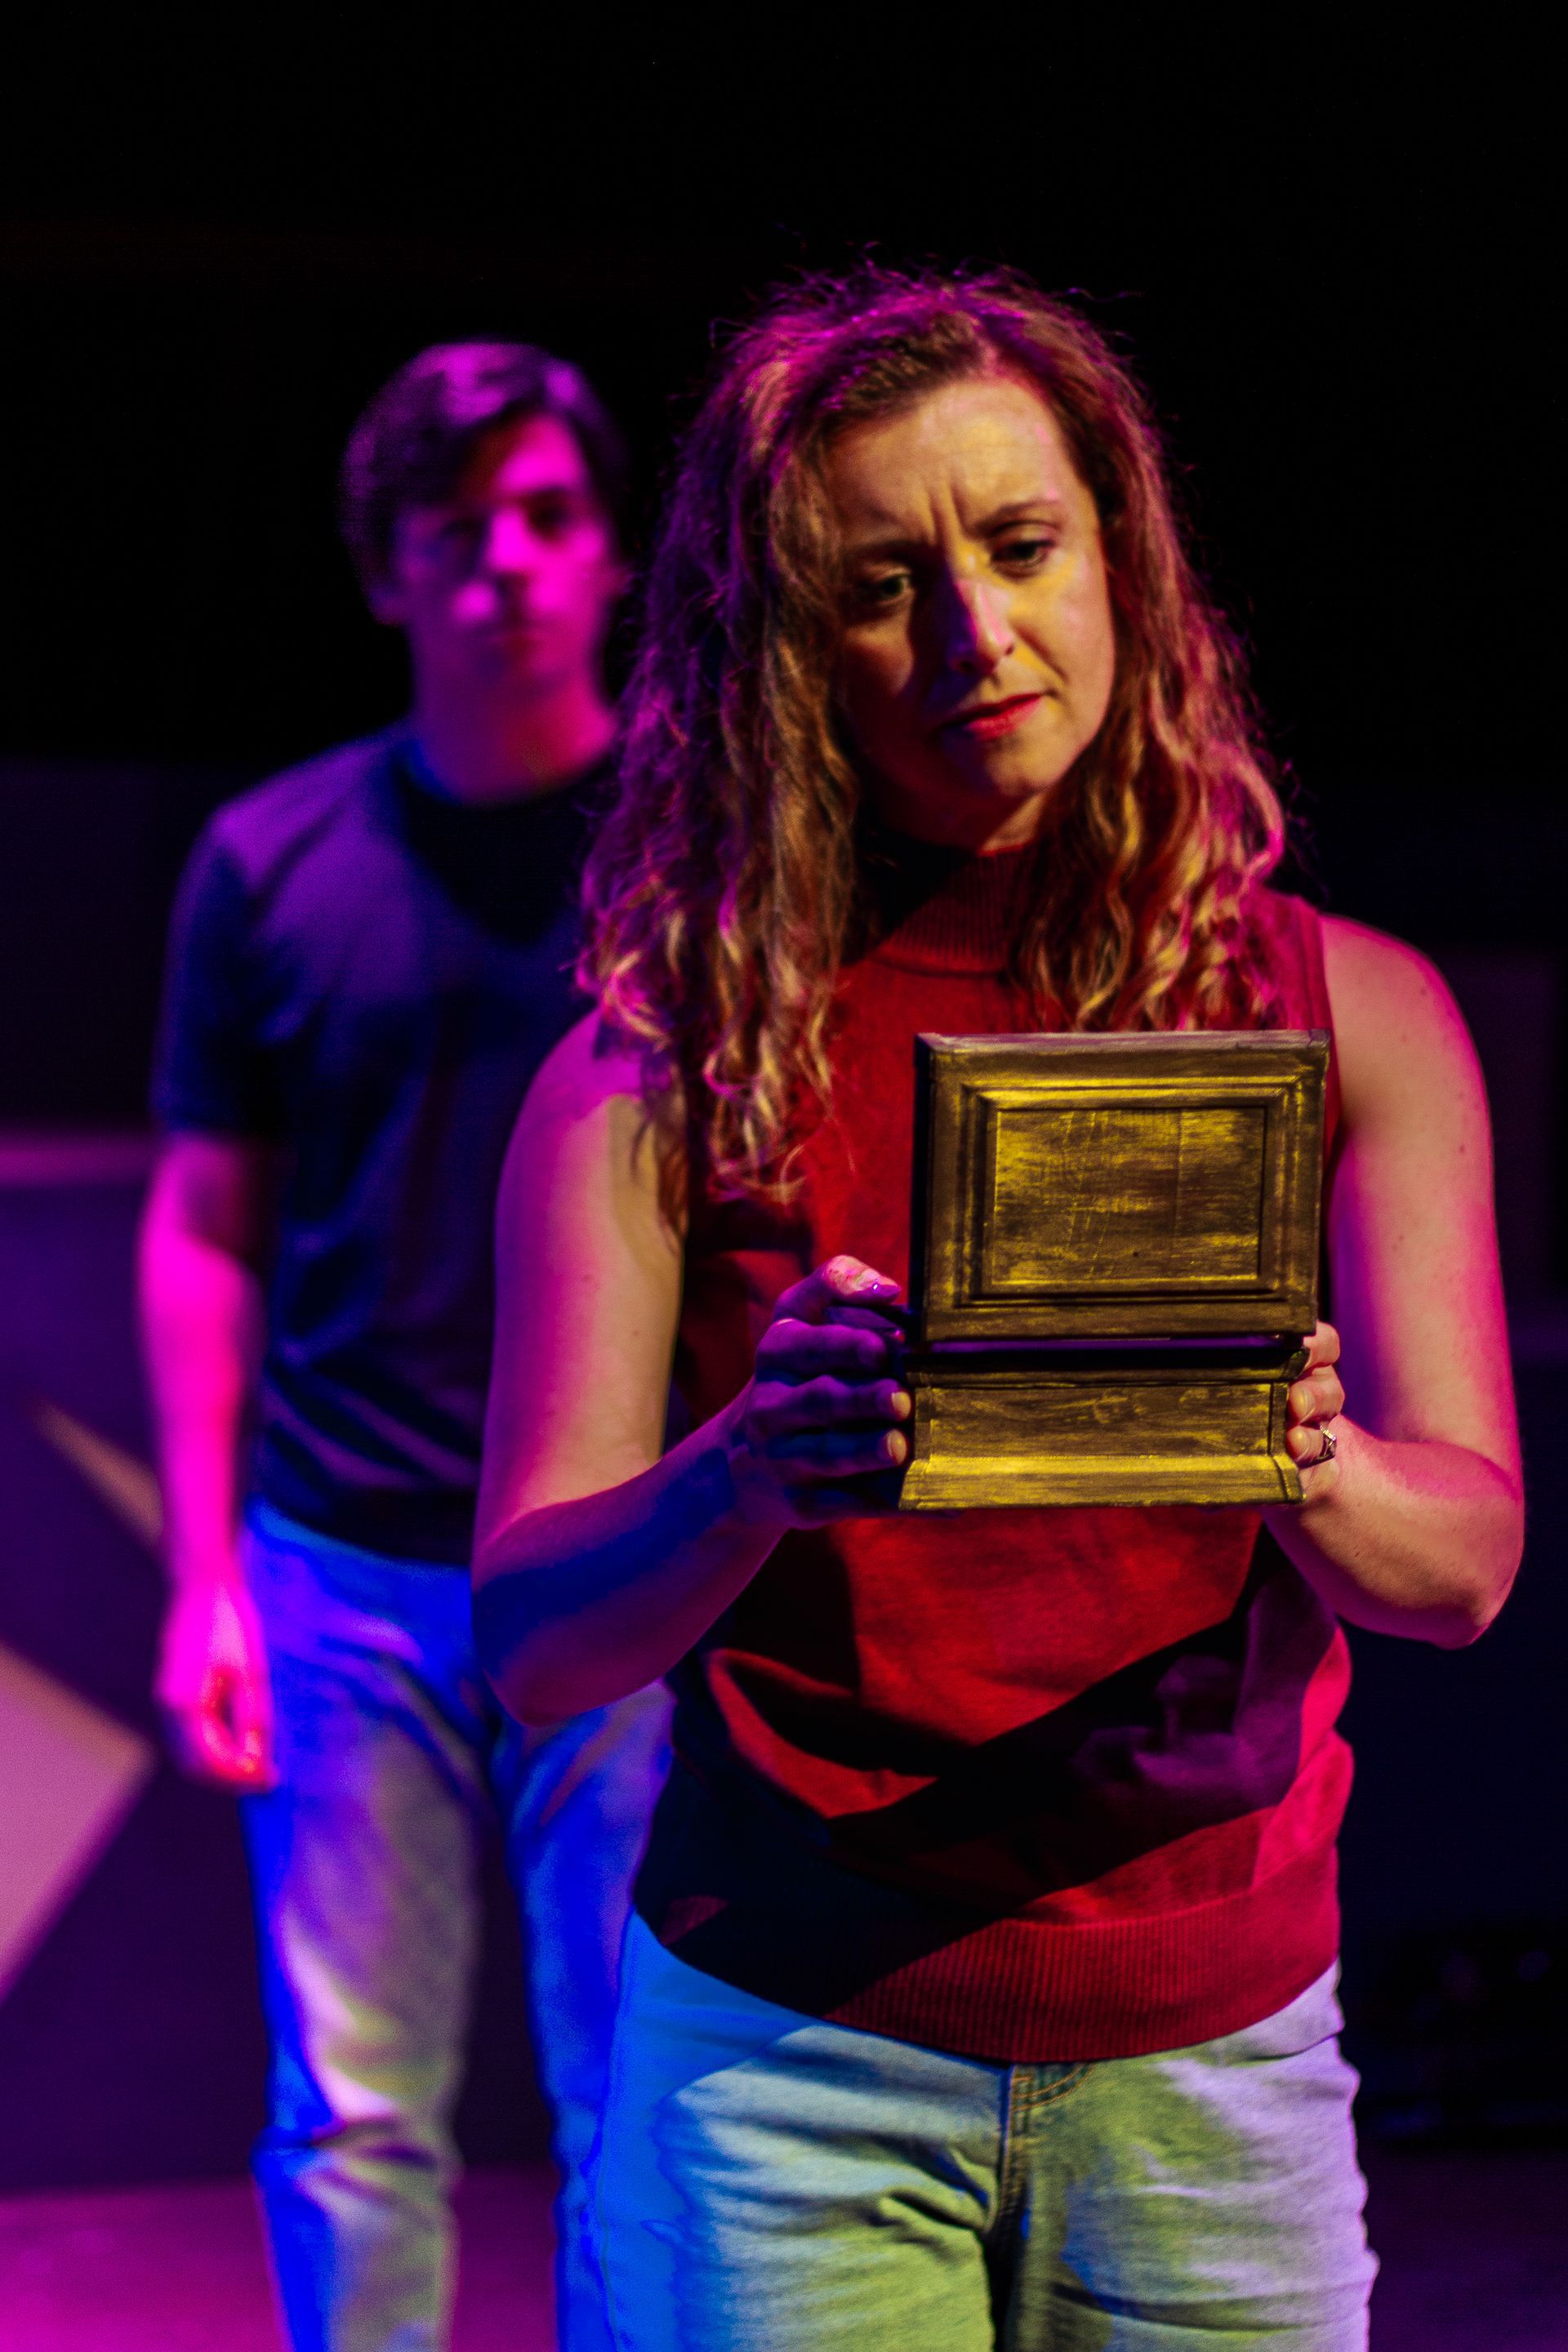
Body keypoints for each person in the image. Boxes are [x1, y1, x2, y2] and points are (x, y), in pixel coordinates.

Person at [470, 270, 1523, 2350]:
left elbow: (1468, 1566)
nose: (976, 632)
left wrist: (1297, 1454)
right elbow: (534, 1639)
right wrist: (747, 1473)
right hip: (788, 2064)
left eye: (1023, 545)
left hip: (1216, 2063)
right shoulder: (659, 1066)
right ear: (792, 648)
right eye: (885, 585)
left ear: (1122, 558)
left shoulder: (1356, 1013)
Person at [140, 342, 670, 2352]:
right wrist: (206, 1574)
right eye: (454, 530)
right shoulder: (273, 863)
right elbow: (205, 1232)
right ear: (386, 572)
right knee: (353, 2110)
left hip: (627, 1559)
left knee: (642, 2096)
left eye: (545, 516)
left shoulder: (701, 855)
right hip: (346, 1571)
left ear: (611, 550)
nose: (505, 563)